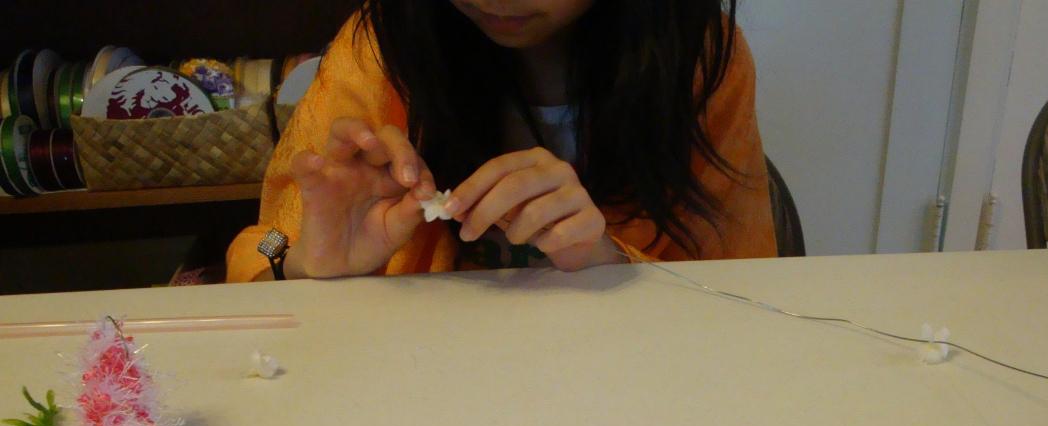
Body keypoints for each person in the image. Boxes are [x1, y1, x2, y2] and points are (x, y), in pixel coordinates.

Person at [226, 0, 776, 282]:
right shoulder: (383, 49)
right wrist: (299, 264)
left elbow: (738, 284)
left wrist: (609, 264)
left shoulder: (695, 58)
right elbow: (263, 245)